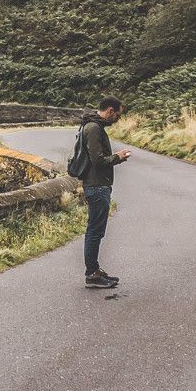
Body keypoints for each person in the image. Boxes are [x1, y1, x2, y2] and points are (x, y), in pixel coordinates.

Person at [79, 96, 131, 289]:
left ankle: (94, 269)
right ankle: (92, 274)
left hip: (98, 185)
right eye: (117, 114)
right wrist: (117, 157)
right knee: (94, 231)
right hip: (96, 186)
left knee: (96, 230)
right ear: (110, 110)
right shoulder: (93, 129)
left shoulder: (94, 126)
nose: (118, 118)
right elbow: (98, 161)